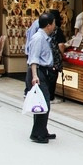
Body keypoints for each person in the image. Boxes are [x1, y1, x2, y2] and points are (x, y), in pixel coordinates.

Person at [25, 12, 58, 144]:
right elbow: (33, 58)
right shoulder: (38, 38)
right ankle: (37, 134)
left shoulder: (45, 37)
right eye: (54, 23)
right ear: (49, 25)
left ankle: (42, 130)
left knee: (43, 103)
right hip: (38, 72)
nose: (55, 25)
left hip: (43, 71)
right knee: (42, 103)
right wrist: (35, 76)